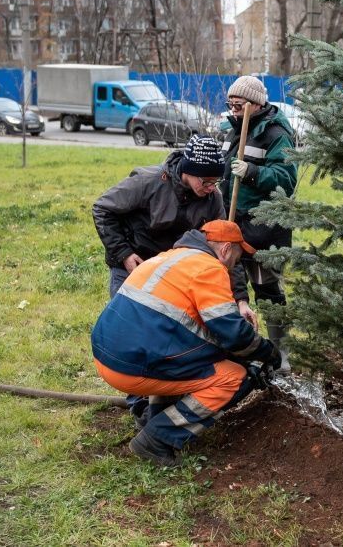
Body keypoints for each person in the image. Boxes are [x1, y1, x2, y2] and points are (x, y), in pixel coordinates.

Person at [92, 135, 259, 424]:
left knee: (170, 336)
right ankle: (141, 406)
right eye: (205, 181)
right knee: (136, 334)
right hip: (135, 266)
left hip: (176, 275)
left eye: (214, 183)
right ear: (188, 170)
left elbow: (225, 247)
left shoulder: (212, 198)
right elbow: (102, 208)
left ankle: (168, 392)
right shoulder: (148, 182)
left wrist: (241, 299)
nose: (210, 188)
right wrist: (123, 253)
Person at [91, 220, 281, 466]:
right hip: (131, 367)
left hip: (107, 355)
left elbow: (187, 326)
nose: (236, 265)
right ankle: (158, 438)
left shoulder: (170, 257)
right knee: (234, 377)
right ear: (224, 250)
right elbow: (232, 334)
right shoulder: (210, 269)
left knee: (188, 357)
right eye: (237, 256)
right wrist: (267, 353)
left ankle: (155, 417)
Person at [220, 75, 297, 371]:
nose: (233, 109)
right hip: (235, 223)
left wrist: (252, 171)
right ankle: (242, 349)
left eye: (238, 104)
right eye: (230, 104)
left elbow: (286, 181)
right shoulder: (235, 129)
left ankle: (282, 355)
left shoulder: (275, 133)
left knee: (267, 289)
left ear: (254, 104)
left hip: (266, 227)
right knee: (230, 284)